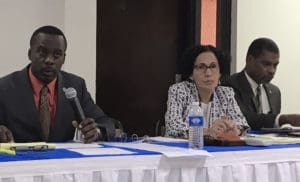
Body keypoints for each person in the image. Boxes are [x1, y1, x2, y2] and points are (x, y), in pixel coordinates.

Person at [0, 25, 115, 143]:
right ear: (30, 54)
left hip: (63, 160)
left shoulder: (75, 86)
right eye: (42, 53)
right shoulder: (4, 88)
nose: (49, 60)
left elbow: (107, 124)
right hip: (19, 160)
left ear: (64, 58)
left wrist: (96, 131)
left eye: (57, 55)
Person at [165, 45, 248, 138]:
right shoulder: (179, 91)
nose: (208, 73)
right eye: (201, 67)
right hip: (184, 150)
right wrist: (208, 132)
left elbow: (243, 124)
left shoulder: (226, 93)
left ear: (220, 72)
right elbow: (173, 128)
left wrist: (235, 129)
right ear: (191, 74)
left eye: (213, 66)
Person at [225, 37, 300, 130]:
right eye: (266, 64)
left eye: (275, 65)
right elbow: (243, 120)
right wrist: (282, 119)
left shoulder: (275, 92)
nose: (272, 70)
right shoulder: (229, 86)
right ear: (249, 60)